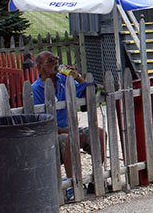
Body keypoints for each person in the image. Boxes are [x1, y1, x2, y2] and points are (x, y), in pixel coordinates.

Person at [31, 51, 105, 188]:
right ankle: (73, 185)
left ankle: (97, 179)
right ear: (40, 67)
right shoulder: (36, 89)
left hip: (71, 130)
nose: (55, 63)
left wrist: (77, 77)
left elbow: (89, 92)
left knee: (99, 133)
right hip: (51, 134)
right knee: (69, 139)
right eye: (50, 61)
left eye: (56, 59)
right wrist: (70, 132)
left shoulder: (63, 80)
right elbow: (41, 122)